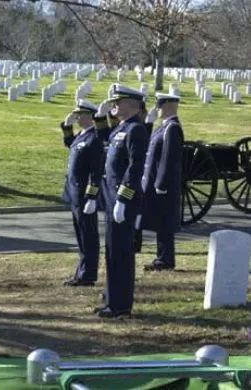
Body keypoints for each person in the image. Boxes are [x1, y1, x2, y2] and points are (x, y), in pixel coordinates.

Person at [97, 84, 149, 318]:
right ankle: (111, 299)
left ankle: (120, 306)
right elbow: (103, 141)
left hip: (122, 200)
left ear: (133, 105)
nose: (114, 105)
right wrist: (100, 116)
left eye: (119, 102)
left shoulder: (136, 130)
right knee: (111, 251)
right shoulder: (121, 128)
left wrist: (123, 198)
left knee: (121, 253)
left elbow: (135, 167)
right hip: (111, 199)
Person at [60, 99, 104, 287]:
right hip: (75, 193)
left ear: (90, 116)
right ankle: (82, 271)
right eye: (77, 114)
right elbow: (71, 144)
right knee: (81, 235)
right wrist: (66, 127)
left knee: (88, 236)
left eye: (81, 115)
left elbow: (96, 171)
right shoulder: (82, 136)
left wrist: (92, 196)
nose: (77, 117)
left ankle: (88, 274)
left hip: (84, 195)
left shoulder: (94, 138)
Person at [141, 93, 184, 271]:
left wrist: (161, 184)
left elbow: (168, 158)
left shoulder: (172, 128)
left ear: (167, 106)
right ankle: (162, 257)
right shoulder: (163, 127)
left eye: (159, 106)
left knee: (165, 223)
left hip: (164, 185)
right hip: (157, 184)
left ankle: (166, 260)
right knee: (160, 222)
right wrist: (148, 124)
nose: (156, 109)